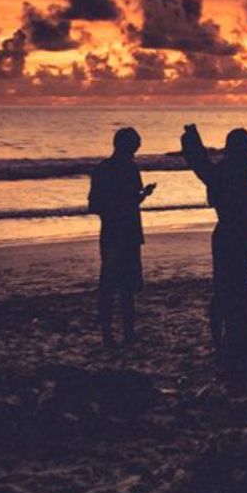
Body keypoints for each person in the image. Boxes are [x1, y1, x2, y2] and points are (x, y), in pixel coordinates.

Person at [180, 123, 247, 372]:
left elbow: (202, 167)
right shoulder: (238, 170)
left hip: (228, 232)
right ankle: (228, 341)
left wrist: (192, 142)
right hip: (237, 234)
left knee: (227, 289)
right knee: (235, 290)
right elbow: (243, 200)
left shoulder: (224, 170)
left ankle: (224, 341)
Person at [88, 127, 155, 346]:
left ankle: (113, 334)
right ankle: (125, 333)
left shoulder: (102, 169)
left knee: (111, 285)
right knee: (124, 286)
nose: (135, 152)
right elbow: (131, 201)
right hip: (126, 232)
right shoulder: (130, 169)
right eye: (134, 148)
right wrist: (141, 195)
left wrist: (136, 197)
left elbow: (94, 205)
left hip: (111, 232)